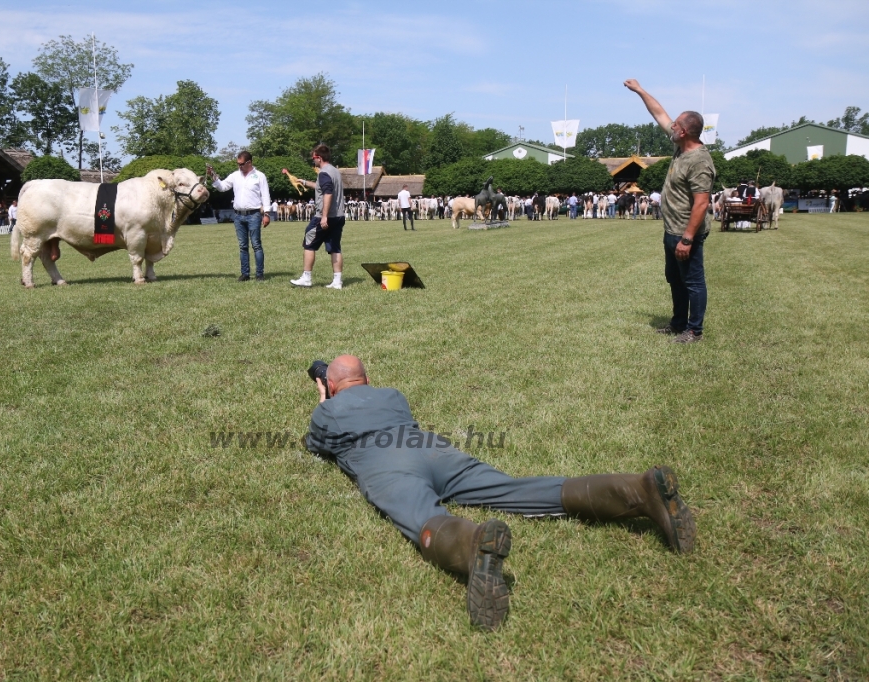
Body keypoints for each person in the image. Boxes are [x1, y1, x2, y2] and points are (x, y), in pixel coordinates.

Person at [306, 355, 696, 631]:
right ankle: (637, 490)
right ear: (368, 378)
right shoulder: (392, 395)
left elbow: (316, 445)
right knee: (513, 489)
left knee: (421, 514)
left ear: (334, 384)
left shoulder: (329, 409)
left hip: (386, 463)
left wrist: (325, 403)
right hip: (434, 450)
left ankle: (473, 546)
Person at [625, 78, 714, 344]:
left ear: (685, 132)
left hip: (687, 233)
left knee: (693, 282)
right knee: (675, 280)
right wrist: (640, 91)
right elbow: (659, 113)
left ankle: (694, 330)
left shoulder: (699, 161)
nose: (670, 126)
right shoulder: (680, 147)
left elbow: (701, 203)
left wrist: (687, 238)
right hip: (671, 230)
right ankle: (678, 324)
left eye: (676, 124)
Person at [207, 151, 271, 282]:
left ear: (249, 162)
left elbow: (265, 195)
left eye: (241, 164)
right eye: (238, 164)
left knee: (256, 245)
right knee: (242, 246)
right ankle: (245, 274)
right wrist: (213, 176)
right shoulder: (235, 175)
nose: (239, 166)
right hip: (238, 215)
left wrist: (267, 214)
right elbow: (223, 187)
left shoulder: (259, 176)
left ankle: (259, 274)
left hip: (254, 214)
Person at [288, 144, 346, 289]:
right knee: (335, 248)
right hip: (339, 216)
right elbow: (323, 187)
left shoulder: (324, 173)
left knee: (309, 242)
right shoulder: (335, 171)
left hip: (324, 216)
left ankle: (306, 278)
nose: (313, 161)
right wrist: (305, 182)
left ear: (319, 158)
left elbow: (328, 193)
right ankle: (337, 281)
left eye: (313, 158)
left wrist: (324, 216)